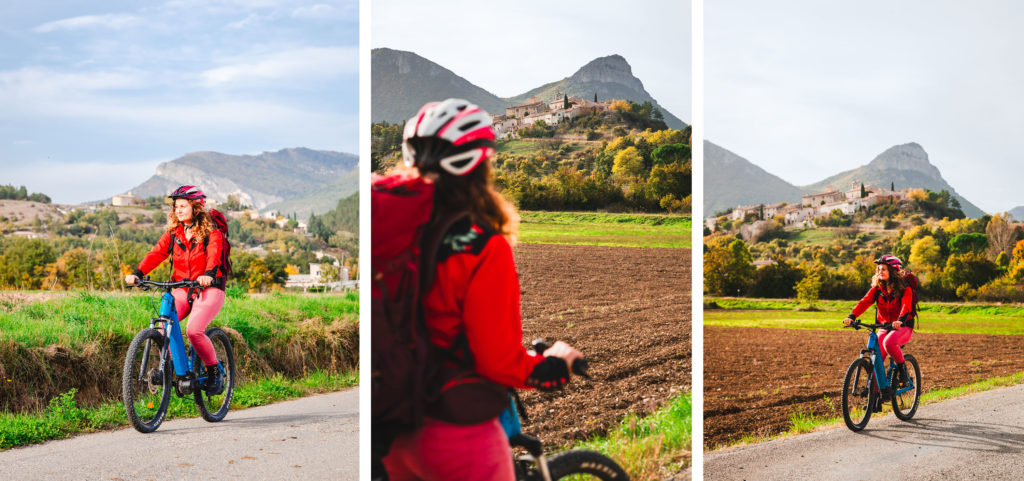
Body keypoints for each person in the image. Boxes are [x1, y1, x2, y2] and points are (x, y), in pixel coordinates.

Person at [378, 99, 584, 481]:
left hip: (390, 431)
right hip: (455, 429)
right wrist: (553, 365)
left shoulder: (387, 227)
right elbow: (497, 361)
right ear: (480, 164)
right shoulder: (479, 244)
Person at [124, 185, 227, 394]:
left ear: (196, 207)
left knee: (194, 330)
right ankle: (180, 371)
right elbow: (156, 254)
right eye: (176, 207)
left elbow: (215, 255)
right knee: (164, 326)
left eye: (183, 206)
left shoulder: (212, 233)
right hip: (181, 287)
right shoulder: (174, 233)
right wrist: (138, 273)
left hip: (209, 288)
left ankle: (214, 370)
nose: (178, 210)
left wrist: (208, 275)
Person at [843, 254, 914, 393]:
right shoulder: (877, 289)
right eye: (879, 269)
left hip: (903, 326)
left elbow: (906, 306)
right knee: (876, 360)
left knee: (888, 343)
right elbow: (864, 302)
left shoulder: (905, 289)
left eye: (884, 269)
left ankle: (903, 370)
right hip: (884, 326)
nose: (880, 272)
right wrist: (851, 316)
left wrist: (900, 320)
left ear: (893, 272)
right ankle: (875, 397)